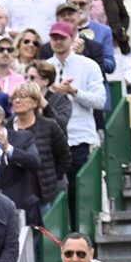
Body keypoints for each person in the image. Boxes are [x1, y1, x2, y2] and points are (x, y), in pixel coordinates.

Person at [45, 21, 105, 225]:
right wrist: (53, 90)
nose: (58, 42)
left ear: (72, 39)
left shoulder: (88, 66)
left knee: (78, 191)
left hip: (80, 136)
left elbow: (100, 101)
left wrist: (74, 92)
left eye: (62, 37)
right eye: (54, 38)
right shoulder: (45, 66)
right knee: (56, 190)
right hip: (52, 139)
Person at [8, 82, 70, 212]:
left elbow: (64, 156)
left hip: (42, 194)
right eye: (14, 97)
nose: (17, 100)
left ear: (35, 103)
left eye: (23, 96)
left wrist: (51, 178)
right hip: (15, 194)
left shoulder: (49, 125)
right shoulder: (6, 128)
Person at [0, 0, 65, 40]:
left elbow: (66, 21)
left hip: (52, 49)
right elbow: (1, 26)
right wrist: (15, 35)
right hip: (18, 50)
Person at [25, 60, 71, 132]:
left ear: (45, 81)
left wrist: (45, 107)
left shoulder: (60, 98)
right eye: (26, 77)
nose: (27, 81)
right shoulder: (24, 99)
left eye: (32, 78)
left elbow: (62, 125)